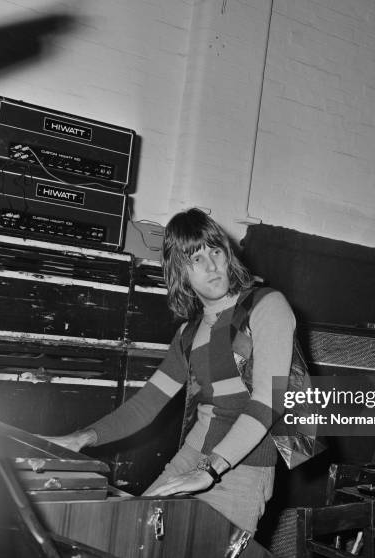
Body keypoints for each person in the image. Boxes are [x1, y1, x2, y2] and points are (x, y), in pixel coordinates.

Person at [45, 208, 296, 534]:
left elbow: (269, 400)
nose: (211, 266)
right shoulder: (188, 334)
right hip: (193, 457)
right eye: (196, 259)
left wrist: (210, 469)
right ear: (181, 272)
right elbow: (147, 403)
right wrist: (82, 438)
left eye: (215, 252)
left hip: (243, 467)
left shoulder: (267, 305)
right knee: (130, 534)